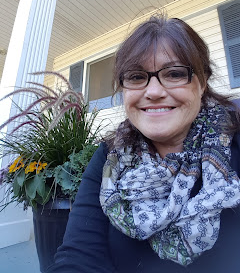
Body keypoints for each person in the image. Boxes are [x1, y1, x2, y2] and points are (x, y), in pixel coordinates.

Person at [47, 14, 240, 273]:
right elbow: (78, 258)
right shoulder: (109, 160)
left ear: (202, 83)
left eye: (173, 73)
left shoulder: (234, 138)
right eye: (137, 77)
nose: (153, 91)